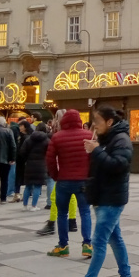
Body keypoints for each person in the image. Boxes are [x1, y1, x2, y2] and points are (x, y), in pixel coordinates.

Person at [62, 106, 136, 277]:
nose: (94, 124)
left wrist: (96, 151)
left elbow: (118, 166)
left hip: (112, 199)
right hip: (103, 195)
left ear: (109, 122)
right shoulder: (107, 138)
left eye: (98, 121)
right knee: (115, 238)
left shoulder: (121, 140)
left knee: (99, 242)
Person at [45, 108, 92, 258]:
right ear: (79, 120)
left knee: (62, 214)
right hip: (83, 180)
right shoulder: (88, 135)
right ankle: (87, 245)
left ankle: (63, 246)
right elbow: (94, 158)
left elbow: (50, 160)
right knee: (85, 212)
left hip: (64, 180)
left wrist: (55, 176)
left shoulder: (57, 137)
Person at [19, 122, 49, 211]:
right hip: (41, 165)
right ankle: (34, 206)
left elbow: (22, 152)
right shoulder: (46, 140)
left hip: (29, 164)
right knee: (37, 186)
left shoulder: (28, 139)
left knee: (28, 186)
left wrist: (27, 159)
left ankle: (24, 205)